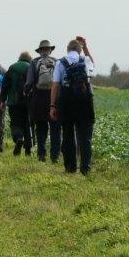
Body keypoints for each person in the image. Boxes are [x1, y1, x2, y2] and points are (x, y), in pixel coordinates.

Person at [50, 37, 95, 175]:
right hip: (85, 101)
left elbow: (56, 84)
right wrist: (86, 47)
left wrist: (52, 105)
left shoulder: (60, 62)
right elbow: (93, 65)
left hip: (66, 101)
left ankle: (70, 167)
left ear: (68, 50)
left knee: (68, 134)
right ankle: (85, 168)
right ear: (80, 50)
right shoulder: (85, 60)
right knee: (85, 136)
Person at [25, 40, 61, 163]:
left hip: (39, 98)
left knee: (40, 128)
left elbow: (29, 82)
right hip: (54, 99)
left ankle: (41, 154)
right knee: (55, 128)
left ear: (40, 51)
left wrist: (27, 94)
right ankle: (55, 156)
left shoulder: (34, 62)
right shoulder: (57, 62)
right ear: (50, 50)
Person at [2, 51, 33, 156]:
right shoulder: (31, 67)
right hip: (28, 102)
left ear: (19, 58)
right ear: (29, 59)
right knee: (27, 124)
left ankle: (19, 138)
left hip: (13, 101)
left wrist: (2, 100)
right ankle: (28, 149)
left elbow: (5, 85)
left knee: (15, 123)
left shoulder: (12, 68)